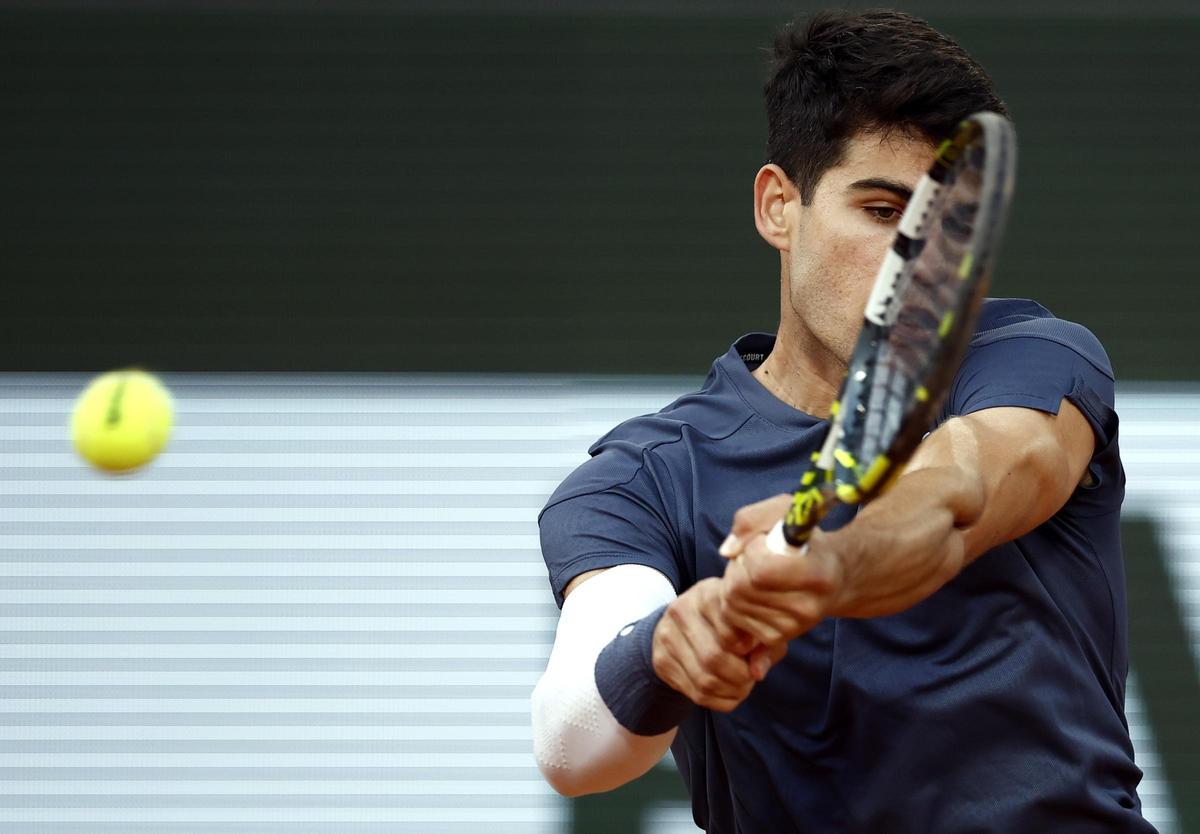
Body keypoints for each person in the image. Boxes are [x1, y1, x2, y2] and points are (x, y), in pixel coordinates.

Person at [530, 9, 1155, 833]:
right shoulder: (644, 478)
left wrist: (831, 565)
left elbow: (958, 490)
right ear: (778, 207)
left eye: (946, 231)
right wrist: (668, 649)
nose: (917, 265)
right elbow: (571, 745)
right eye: (882, 210)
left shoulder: (1033, 358)